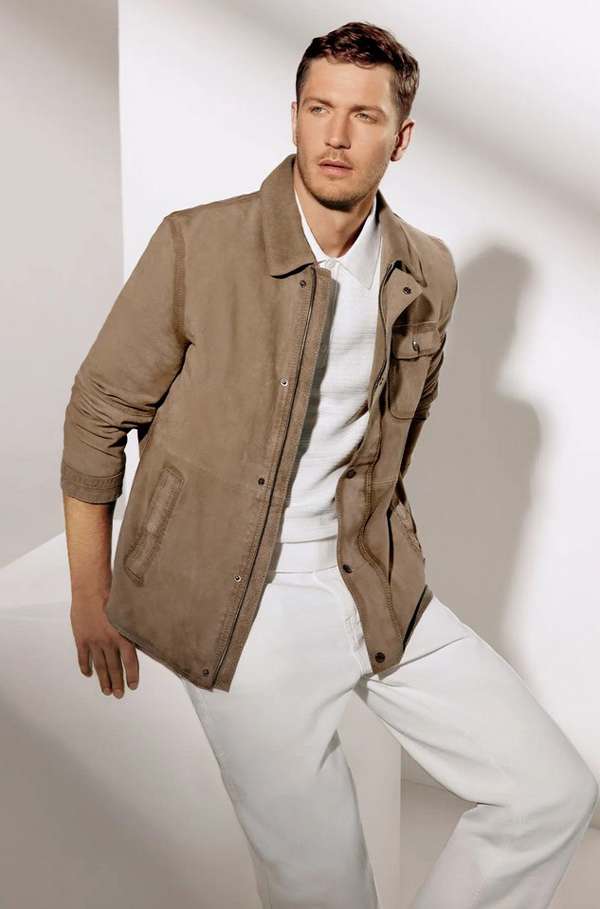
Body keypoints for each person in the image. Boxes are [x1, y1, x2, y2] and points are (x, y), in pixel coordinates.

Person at [61, 20, 598, 909]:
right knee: (328, 893)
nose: (336, 136)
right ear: (295, 116)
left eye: (363, 116)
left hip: (369, 581)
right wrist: (91, 592)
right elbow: (97, 415)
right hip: (240, 608)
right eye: (318, 109)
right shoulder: (199, 245)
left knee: (551, 791)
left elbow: (394, 436)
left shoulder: (427, 271)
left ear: (401, 137)